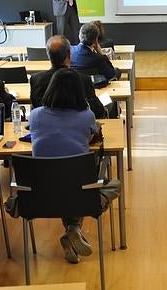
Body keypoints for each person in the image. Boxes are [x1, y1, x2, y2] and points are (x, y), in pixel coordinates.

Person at [29, 68, 120, 264]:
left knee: (62, 180)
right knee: (111, 184)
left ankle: (71, 233)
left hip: (39, 197)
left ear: (50, 89)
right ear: (79, 91)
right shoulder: (86, 116)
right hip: (81, 194)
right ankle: (73, 230)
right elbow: (89, 136)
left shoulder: (35, 116)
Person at [29, 35, 106, 119]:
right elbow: (96, 111)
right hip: (77, 128)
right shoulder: (84, 79)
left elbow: (35, 107)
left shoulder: (36, 80)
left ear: (48, 56)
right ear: (69, 54)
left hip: (44, 128)